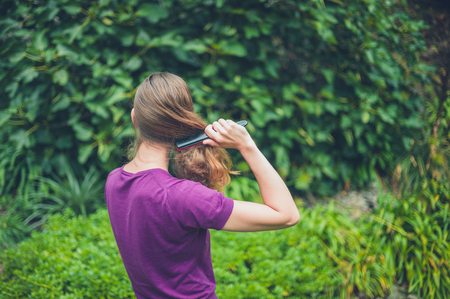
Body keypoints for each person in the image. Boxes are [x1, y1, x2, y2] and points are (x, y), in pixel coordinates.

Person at [104, 72, 300, 299]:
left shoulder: (114, 180)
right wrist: (248, 146)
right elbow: (287, 215)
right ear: (180, 125)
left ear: (134, 118)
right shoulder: (182, 196)